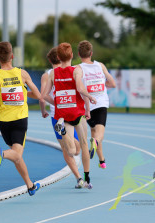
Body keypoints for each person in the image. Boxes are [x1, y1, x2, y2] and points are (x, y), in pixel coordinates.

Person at [0, 41, 41, 196]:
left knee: (17, 155)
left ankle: (30, 185)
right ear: (12, 56)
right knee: (15, 153)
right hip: (19, 120)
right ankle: (2, 154)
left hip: (3, 122)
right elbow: (37, 94)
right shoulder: (22, 74)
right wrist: (24, 93)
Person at [42, 42, 96, 188]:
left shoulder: (53, 73)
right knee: (84, 145)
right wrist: (89, 97)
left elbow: (44, 95)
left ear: (58, 57)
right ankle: (87, 177)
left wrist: (57, 103)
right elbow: (79, 87)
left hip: (62, 114)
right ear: (72, 55)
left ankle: (63, 130)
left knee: (71, 151)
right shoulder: (76, 70)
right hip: (77, 113)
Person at [77, 40, 116, 169]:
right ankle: (95, 143)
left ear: (79, 54)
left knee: (94, 130)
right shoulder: (100, 66)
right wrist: (101, 85)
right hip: (100, 103)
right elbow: (112, 83)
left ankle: (101, 160)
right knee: (99, 134)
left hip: (86, 106)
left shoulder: (78, 68)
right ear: (91, 53)